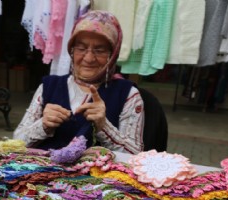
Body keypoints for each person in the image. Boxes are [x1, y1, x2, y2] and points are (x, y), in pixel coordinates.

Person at [14, 10, 145, 154]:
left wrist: (104, 126)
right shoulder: (48, 87)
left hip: (97, 175)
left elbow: (135, 155)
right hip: (42, 174)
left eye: (99, 50)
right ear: (71, 50)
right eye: (81, 48)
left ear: (113, 55)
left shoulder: (128, 94)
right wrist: (43, 125)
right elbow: (16, 142)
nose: (88, 58)